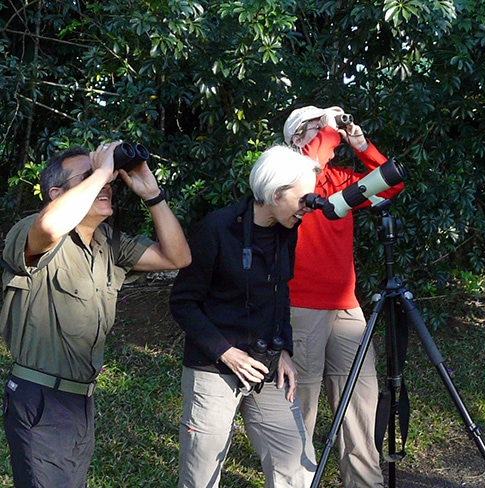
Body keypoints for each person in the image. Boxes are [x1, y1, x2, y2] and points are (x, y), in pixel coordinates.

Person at [1, 141, 192, 488]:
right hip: (41, 399)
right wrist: (103, 168)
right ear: (56, 193)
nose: (105, 184)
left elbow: (177, 257)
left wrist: (151, 193)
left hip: (80, 402)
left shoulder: (108, 243)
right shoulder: (36, 229)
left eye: (105, 178)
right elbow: (48, 228)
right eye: (88, 176)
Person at [169, 145, 320, 488]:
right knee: (201, 475)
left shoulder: (287, 229)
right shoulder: (217, 228)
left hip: (266, 362)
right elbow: (183, 302)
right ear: (276, 192)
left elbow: (281, 291)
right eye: (304, 199)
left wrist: (283, 348)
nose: (308, 208)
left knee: (298, 468)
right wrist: (226, 352)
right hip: (215, 365)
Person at [283, 105, 404, 487]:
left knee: (359, 404)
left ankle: (364, 482)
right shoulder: (287, 174)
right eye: (317, 129)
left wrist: (362, 144)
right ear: (299, 136)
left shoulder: (338, 179)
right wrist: (331, 126)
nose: (329, 137)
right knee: (300, 406)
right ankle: (296, 481)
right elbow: (309, 163)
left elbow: (390, 184)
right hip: (301, 306)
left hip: (346, 306)